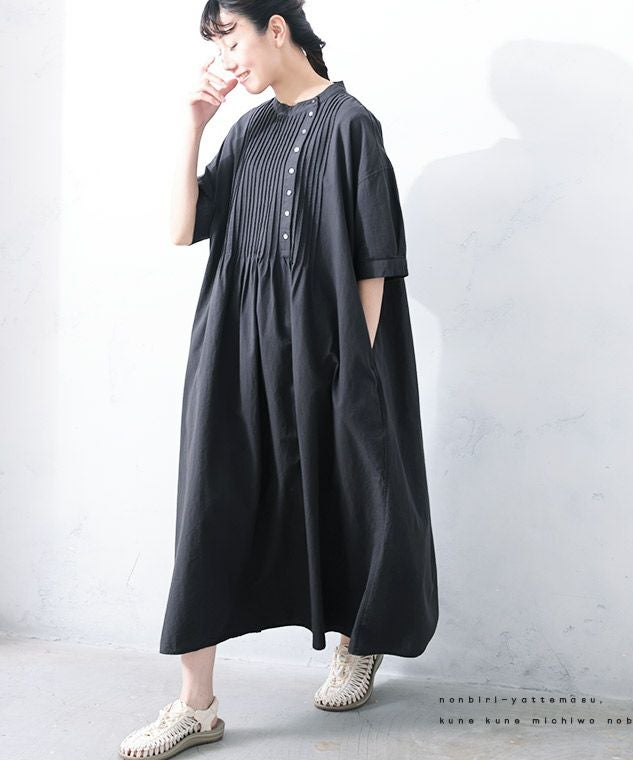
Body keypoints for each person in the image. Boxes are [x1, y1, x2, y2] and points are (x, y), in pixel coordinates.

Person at [118, 1, 438, 756]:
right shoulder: (248, 131)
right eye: (216, 46)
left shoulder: (352, 125)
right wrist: (194, 124)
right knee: (212, 501)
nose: (226, 59)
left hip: (327, 348)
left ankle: (360, 639)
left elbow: (375, 263)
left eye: (230, 38)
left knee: (353, 493)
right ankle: (196, 705)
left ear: (276, 28)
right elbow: (181, 229)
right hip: (235, 342)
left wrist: (353, 366)